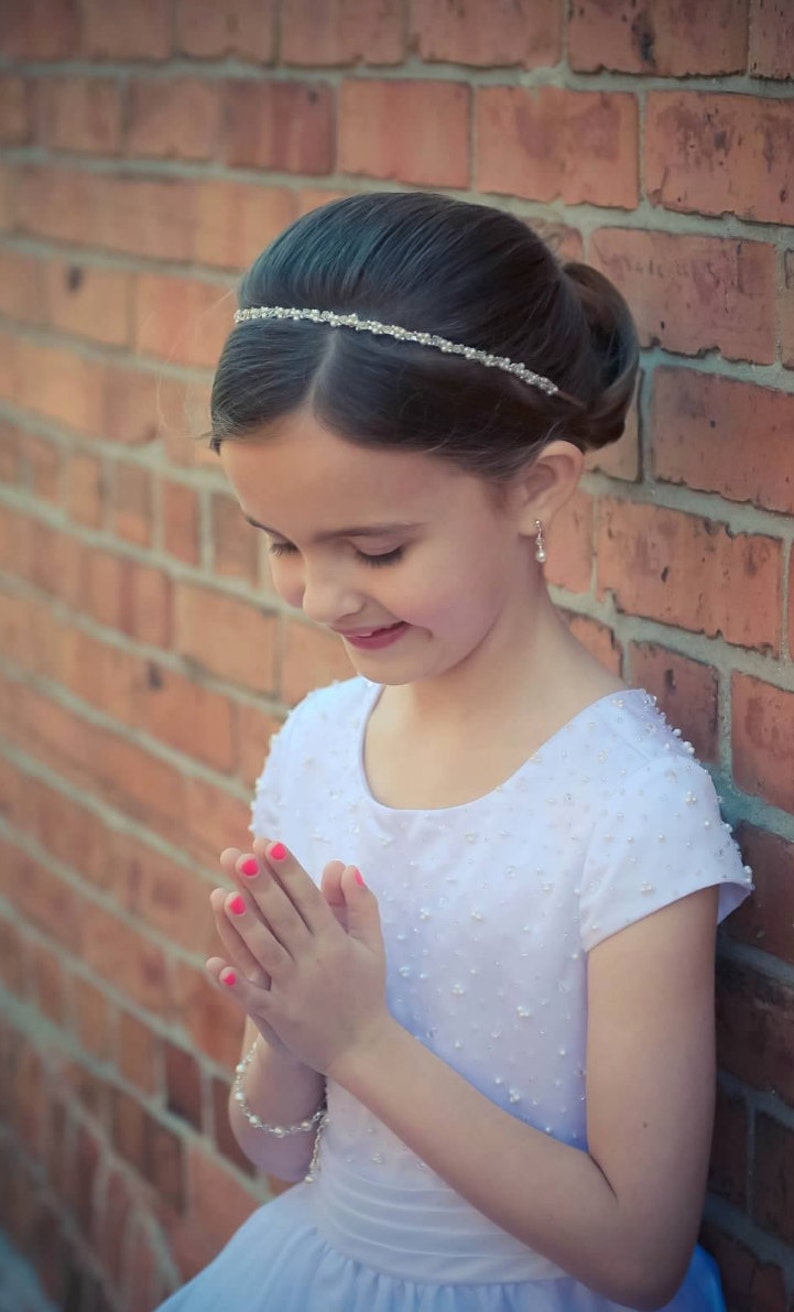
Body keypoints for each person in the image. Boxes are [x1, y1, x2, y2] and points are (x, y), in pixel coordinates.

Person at [155, 191, 752, 1312]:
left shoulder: (628, 805)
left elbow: (638, 1254)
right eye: (281, 543)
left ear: (534, 487)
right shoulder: (321, 743)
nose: (320, 595)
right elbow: (277, 1153)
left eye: (374, 548)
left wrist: (360, 1038)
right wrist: (290, 1028)